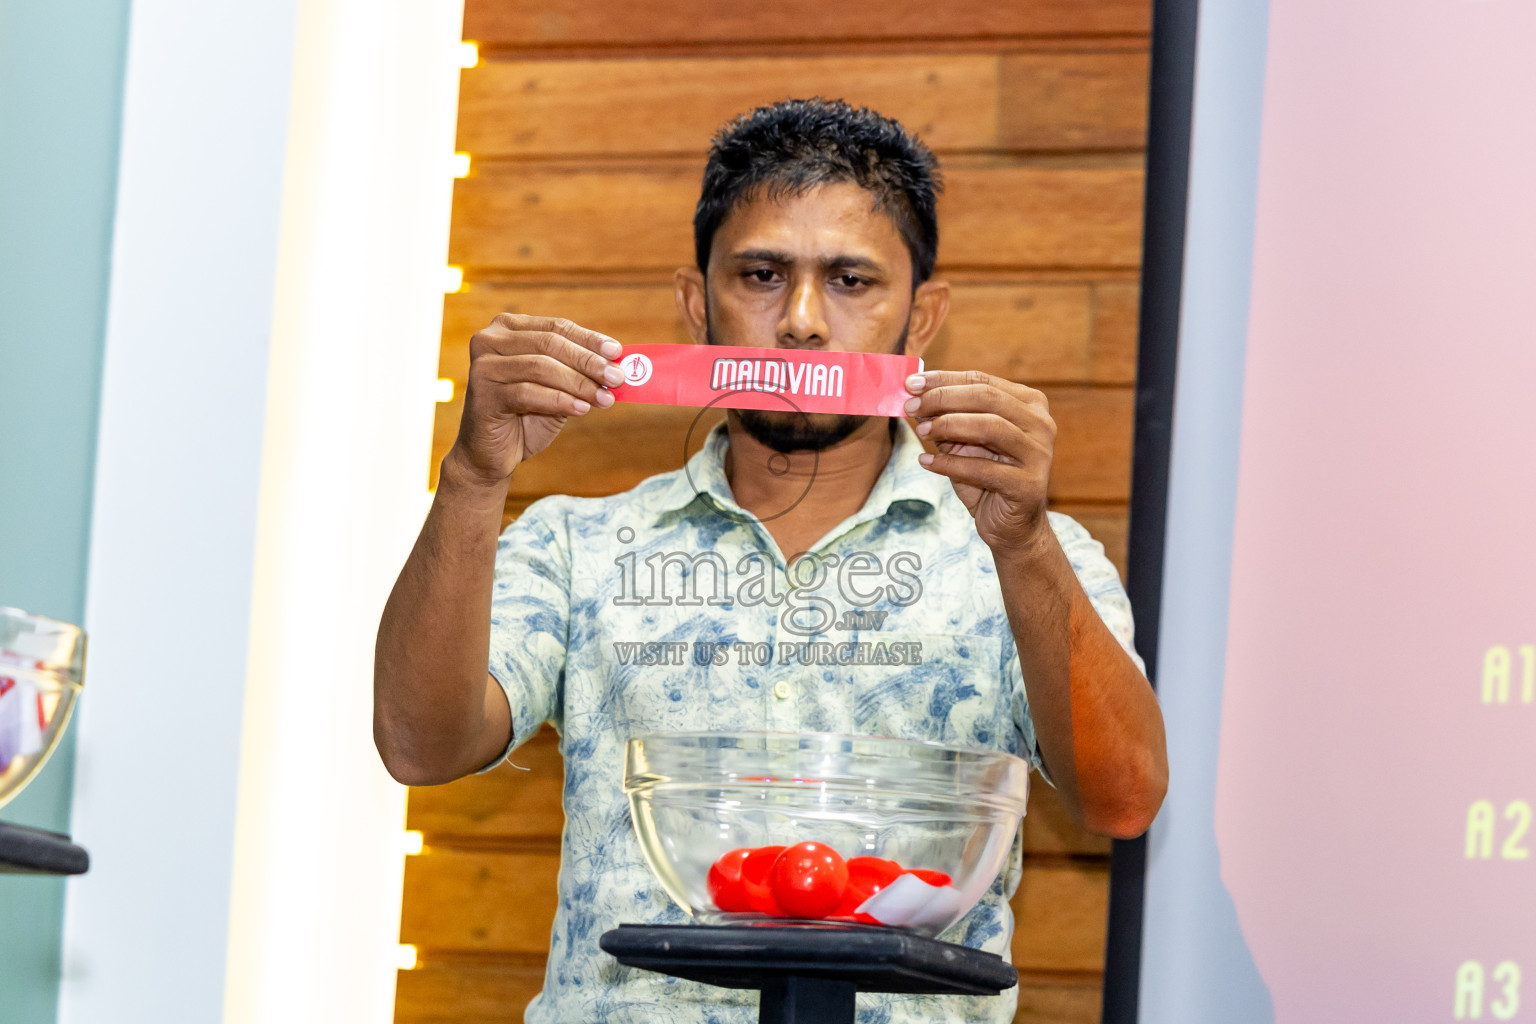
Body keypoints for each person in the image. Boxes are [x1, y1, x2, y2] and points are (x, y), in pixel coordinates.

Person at [374, 98, 1167, 1023]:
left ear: (922, 320)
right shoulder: (575, 546)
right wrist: (473, 475)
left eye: (851, 281)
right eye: (760, 273)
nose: (799, 323)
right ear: (693, 304)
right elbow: (419, 744)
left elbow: (1124, 800)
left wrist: (1023, 544)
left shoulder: (1035, 557)